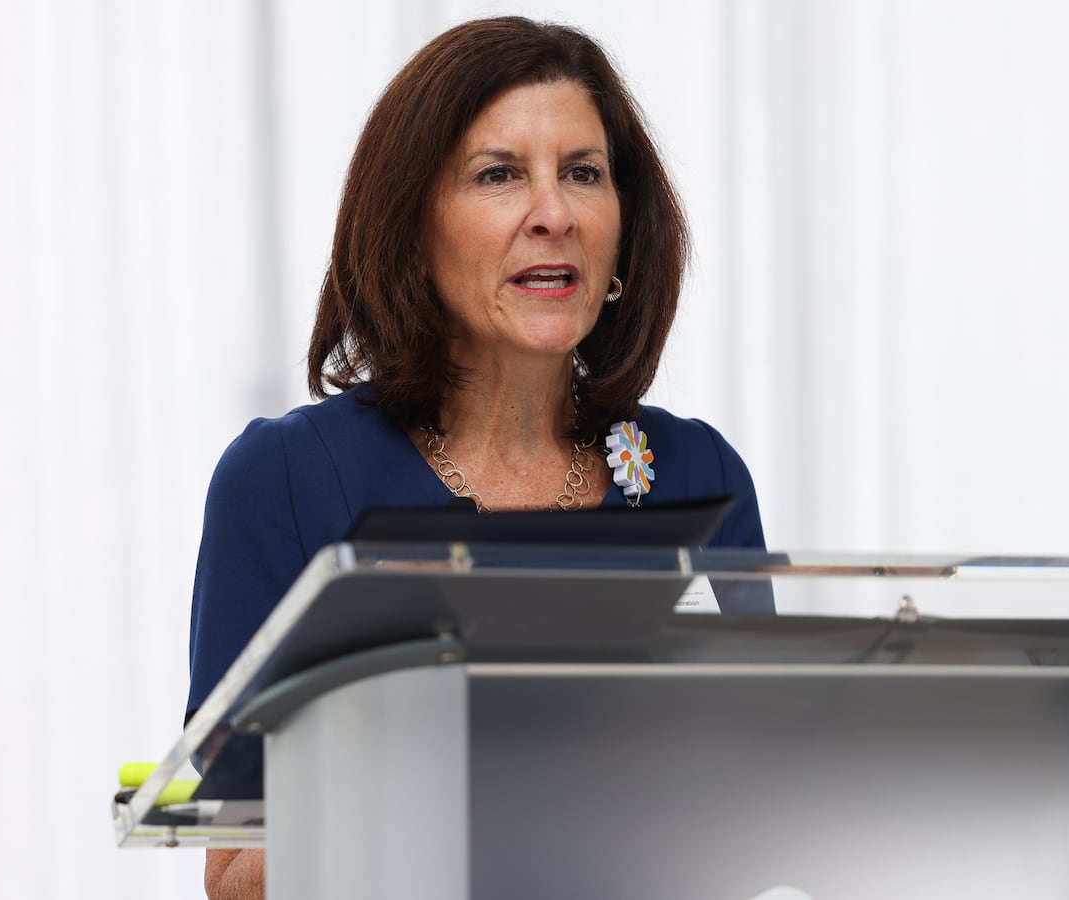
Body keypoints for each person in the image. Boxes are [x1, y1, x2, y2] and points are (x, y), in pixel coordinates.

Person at [187, 16, 768, 899]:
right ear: (412, 231)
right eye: (500, 175)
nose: (555, 213)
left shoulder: (698, 473)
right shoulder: (287, 480)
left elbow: (768, 805)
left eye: (584, 173)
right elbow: (233, 875)